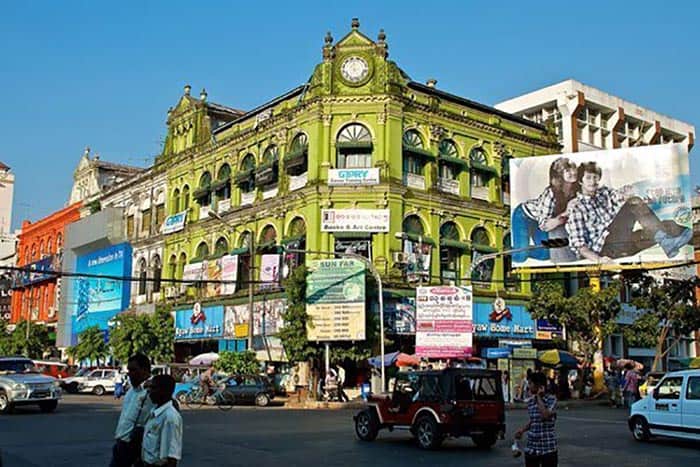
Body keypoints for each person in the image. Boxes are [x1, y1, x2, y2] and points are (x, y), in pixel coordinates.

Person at [565, 161, 692, 262]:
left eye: (595, 178)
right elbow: (579, 246)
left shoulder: (603, 193)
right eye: (588, 178)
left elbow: (618, 196)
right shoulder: (577, 208)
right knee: (634, 202)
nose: (593, 182)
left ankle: (685, 238)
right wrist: (599, 260)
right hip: (606, 249)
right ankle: (669, 243)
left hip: (623, 243)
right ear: (580, 181)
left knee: (660, 226)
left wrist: (626, 192)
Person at [512, 157, 579, 262]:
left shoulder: (577, 189)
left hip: (541, 220)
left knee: (546, 253)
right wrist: (564, 215)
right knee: (520, 257)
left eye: (573, 168)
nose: (573, 172)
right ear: (559, 175)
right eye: (567, 170)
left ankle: (520, 248)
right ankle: (512, 250)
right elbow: (544, 226)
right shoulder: (551, 194)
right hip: (524, 216)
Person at [109, 353, 154, 467]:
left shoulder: (153, 392)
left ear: (144, 370)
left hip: (136, 447)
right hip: (121, 444)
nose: (129, 374)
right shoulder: (131, 391)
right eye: (129, 370)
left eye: (133, 370)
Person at [515, 372, 558, 467]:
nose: (528, 386)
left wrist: (538, 397)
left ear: (538, 385)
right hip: (532, 447)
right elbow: (534, 420)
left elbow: (545, 415)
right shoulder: (531, 401)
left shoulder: (551, 399)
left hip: (547, 447)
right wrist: (522, 430)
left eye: (530, 383)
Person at [141, 375, 183, 467]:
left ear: (164, 391)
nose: (149, 391)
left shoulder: (170, 417)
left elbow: (171, 457)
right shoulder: (154, 411)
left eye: (153, 388)